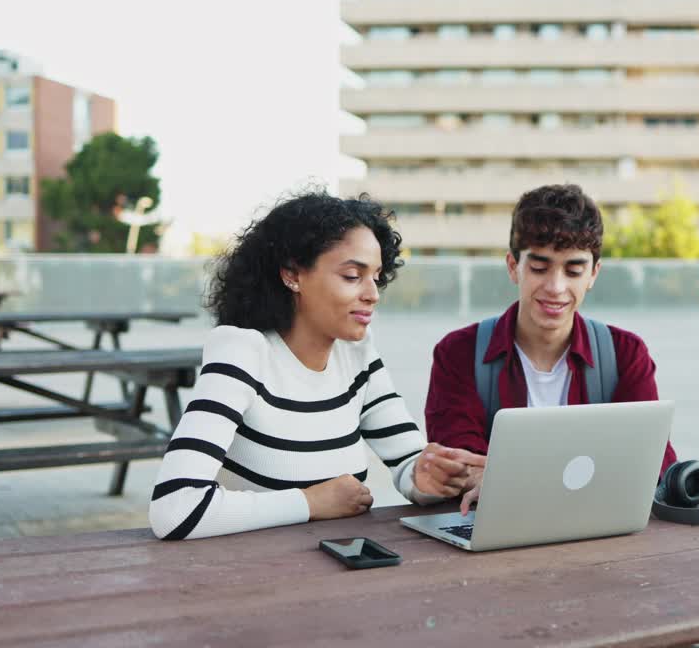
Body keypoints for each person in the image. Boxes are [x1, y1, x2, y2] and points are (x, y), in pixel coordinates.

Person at [150, 190, 484, 540]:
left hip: (336, 572)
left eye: (376, 276)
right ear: (292, 274)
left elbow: (406, 461)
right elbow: (175, 507)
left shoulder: (357, 356)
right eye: (353, 276)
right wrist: (309, 503)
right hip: (251, 577)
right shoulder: (244, 353)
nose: (373, 293)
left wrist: (426, 478)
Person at [424, 184, 678, 514]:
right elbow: (458, 462)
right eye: (540, 268)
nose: (556, 287)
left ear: (593, 274)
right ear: (513, 266)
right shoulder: (458, 353)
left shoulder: (625, 354)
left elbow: (654, 460)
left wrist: (508, 478)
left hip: (597, 531)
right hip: (494, 533)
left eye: (573, 270)